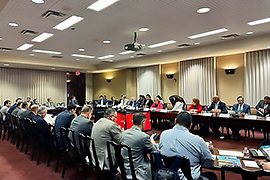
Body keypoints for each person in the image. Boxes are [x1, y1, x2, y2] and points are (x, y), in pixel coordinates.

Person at [159, 112, 217, 180]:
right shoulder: (198, 140)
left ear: (175, 121)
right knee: (212, 176)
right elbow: (210, 163)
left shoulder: (163, 134)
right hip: (187, 177)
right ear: (190, 125)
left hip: (167, 175)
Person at [121, 112, 156, 180]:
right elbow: (153, 151)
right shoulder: (144, 137)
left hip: (124, 168)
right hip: (137, 171)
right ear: (143, 122)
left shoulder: (123, 133)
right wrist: (152, 142)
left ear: (132, 121)